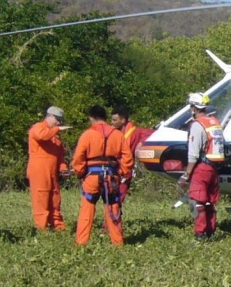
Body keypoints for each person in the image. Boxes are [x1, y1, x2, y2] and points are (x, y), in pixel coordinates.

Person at [72, 105, 133, 246]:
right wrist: (121, 172)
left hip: (92, 177)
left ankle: (81, 243)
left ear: (91, 118)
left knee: (87, 210)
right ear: (106, 118)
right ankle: (118, 243)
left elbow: (78, 158)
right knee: (113, 208)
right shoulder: (117, 134)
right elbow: (127, 157)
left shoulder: (87, 134)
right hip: (111, 178)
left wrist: (80, 172)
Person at [181, 93, 225, 242]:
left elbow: (193, 154)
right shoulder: (214, 122)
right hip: (213, 168)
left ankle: (200, 234)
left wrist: (186, 175)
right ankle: (211, 231)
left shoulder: (197, 125)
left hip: (202, 167)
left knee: (196, 201)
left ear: (194, 107)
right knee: (208, 201)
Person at [27, 106, 72, 232]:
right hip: (39, 171)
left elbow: (60, 155)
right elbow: (41, 136)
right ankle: (41, 229)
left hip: (52, 173)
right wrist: (57, 129)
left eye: (60, 120)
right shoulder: (38, 128)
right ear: (49, 116)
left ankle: (58, 226)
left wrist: (63, 168)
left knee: (55, 198)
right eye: (57, 119)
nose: (59, 123)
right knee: (41, 199)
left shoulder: (55, 135)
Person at [110, 106, 154, 202]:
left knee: (119, 197)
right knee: (109, 195)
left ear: (123, 120)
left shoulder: (136, 131)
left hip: (126, 170)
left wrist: (140, 143)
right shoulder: (111, 132)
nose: (112, 122)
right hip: (111, 168)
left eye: (114, 120)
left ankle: (115, 215)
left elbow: (152, 133)